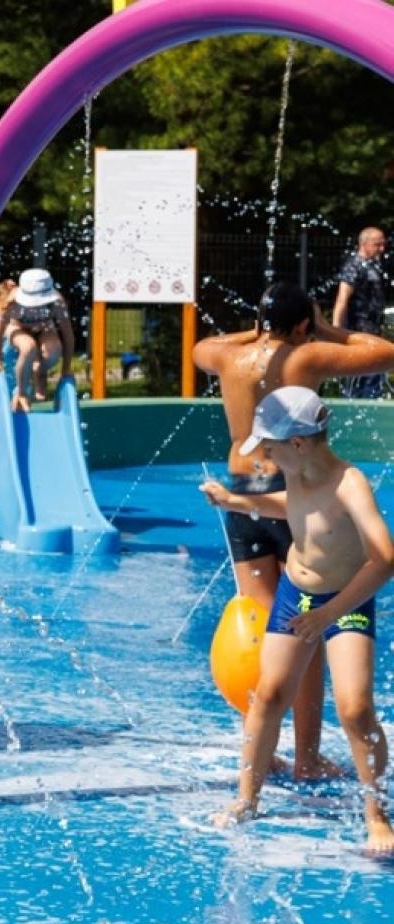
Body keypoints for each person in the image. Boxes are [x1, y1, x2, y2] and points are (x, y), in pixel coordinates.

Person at [193, 282, 394, 780]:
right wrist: (323, 329)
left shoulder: (226, 357)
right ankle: (306, 756)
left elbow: (203, 348)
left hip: (242, 491)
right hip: (290, 488)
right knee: (305, 624)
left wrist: (259, 329)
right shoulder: (305, 359)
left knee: (266, 628)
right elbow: (385, 354)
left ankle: (260, 749)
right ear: (304, 325)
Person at [199, 387, 394, 854]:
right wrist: (236, 501)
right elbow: (292, 509)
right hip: (297, 597)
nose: (264, 456)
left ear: (301, 443)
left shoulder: (349, 484)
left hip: (342, 603)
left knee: (354, 709)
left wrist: (331, 611)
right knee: (267, 695)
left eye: (271, 447)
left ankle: (377, 816)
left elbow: (385, 559)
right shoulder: (300, 475)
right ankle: (248, 799)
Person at [0, 268, 74, 413]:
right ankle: (21, 393)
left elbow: (68, 336)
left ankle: (39, 370)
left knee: (52, 351)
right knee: (28, 347)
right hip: (17, 326)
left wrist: (66, 369)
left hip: (45, 328)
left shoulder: (57, 304)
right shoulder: (12, 302)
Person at [331, 226, 388, 399]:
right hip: (358, 334)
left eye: (383, 244)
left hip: (372, 333)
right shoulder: (354, 266)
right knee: (360, 383)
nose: (382, 249)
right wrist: (336, 334)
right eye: (377, 244)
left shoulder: (374, 266)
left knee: (374, 380)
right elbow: (342, 300)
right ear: (364, 244)